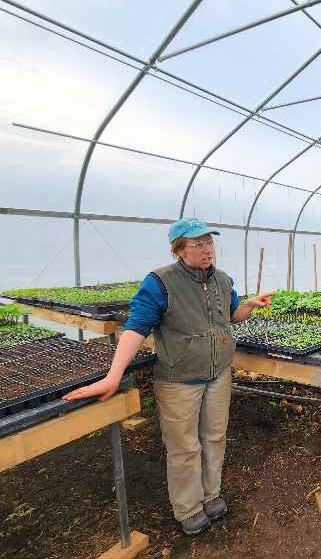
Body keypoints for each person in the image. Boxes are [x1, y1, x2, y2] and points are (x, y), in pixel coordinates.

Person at [64, 218, 273, 536]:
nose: (207, 249)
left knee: (214, 438)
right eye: (198, 244)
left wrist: (250, 306)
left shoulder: (222, 280)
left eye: (209, 242)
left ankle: (211, 494)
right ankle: (188, 508)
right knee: (184, 446)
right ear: (178, 249)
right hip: (179, 380)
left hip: (218, 375)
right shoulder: (160, 282)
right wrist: (113, 374)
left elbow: (231, 315)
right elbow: (136, 327)